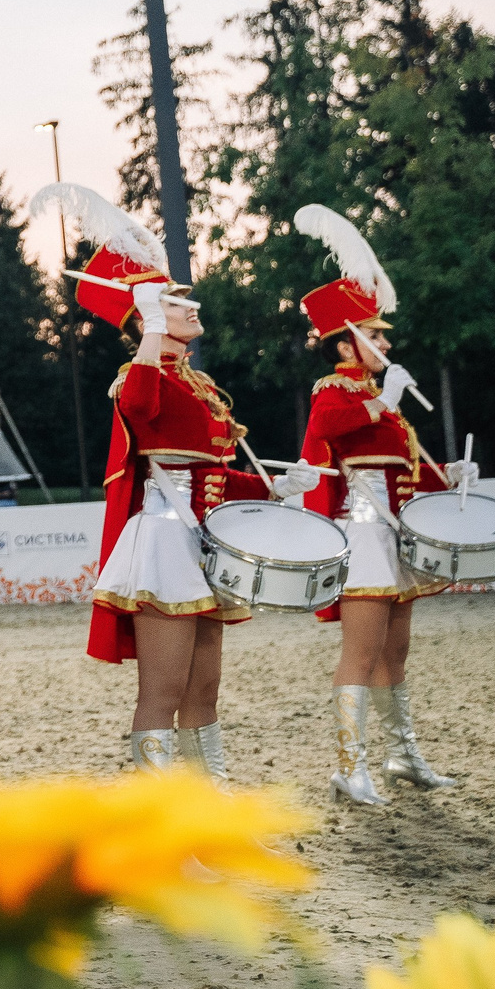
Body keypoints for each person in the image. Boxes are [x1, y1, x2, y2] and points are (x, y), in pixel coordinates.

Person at [32, 184, 294, 777]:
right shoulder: (138, 376)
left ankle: (209, 802)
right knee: (163, 691)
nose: (191, 305)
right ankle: (160, 811)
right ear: (148, 315)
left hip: (203, 542)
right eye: (175, 301)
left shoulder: (197, 384)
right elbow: (140, 407)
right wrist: (150, 325)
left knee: (205, 691)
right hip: (162, 544)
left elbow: (211, 478)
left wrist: (274, 489)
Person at [293, 210, 471, 804]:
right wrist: (382, 404)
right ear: (347, 343)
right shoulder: (334, 389)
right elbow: (328, 428)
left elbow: (402, 465)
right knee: (361, 655)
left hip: (392, 537)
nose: (388, 343)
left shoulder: (377, 396)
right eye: (376, 334)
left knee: (395, 653)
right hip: (362, 537)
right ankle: (350, 767)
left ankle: (402, 755)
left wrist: (449, 475)